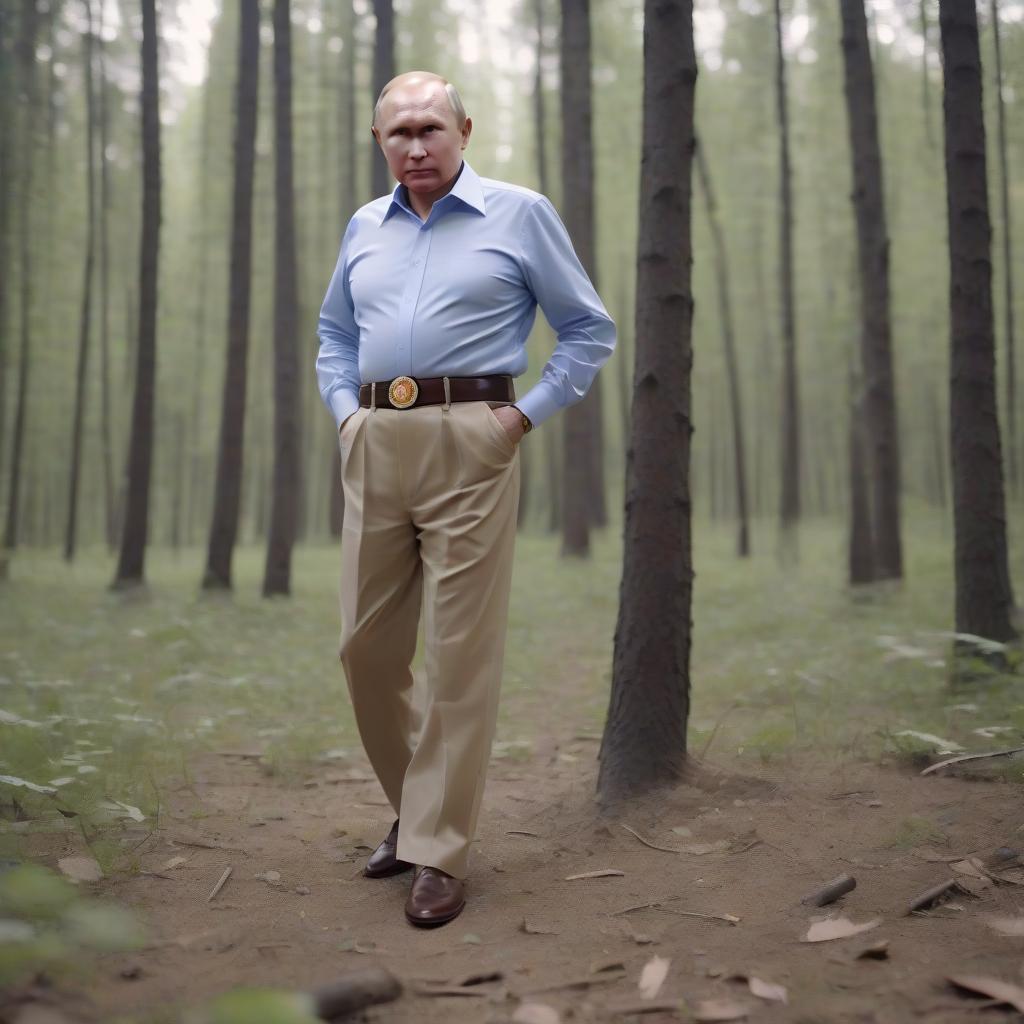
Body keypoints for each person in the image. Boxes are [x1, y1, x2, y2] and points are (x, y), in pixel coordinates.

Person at [316, 71, 615, 927]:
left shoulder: (520, 213)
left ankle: (439, 849)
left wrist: (520, 418)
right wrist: (344, 418)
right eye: (397, 132)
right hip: (374, 441)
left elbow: (588, 327)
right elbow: (334, 334)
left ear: (463, 130)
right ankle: (415, 808)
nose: (415, 145)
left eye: (430, 129)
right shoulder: (363, 227)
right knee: (365, 651)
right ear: (379, 142)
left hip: (472, 440)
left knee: (459, 654)